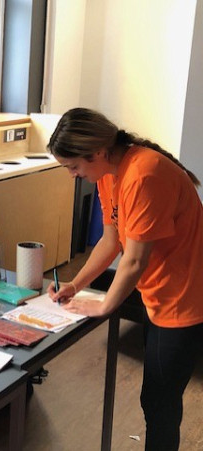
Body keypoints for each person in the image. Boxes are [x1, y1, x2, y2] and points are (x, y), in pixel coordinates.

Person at [47, 107, 203, 451]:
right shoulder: (108, 172)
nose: (72, 175)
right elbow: (111, 239)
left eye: (73, 166)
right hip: (159, 292)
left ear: (98, 152)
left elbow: (133, 261)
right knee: (157, 399)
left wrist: (104, 304)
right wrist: (76, 284)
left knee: (159, 404)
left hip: (182, 299)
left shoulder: (144, 174)